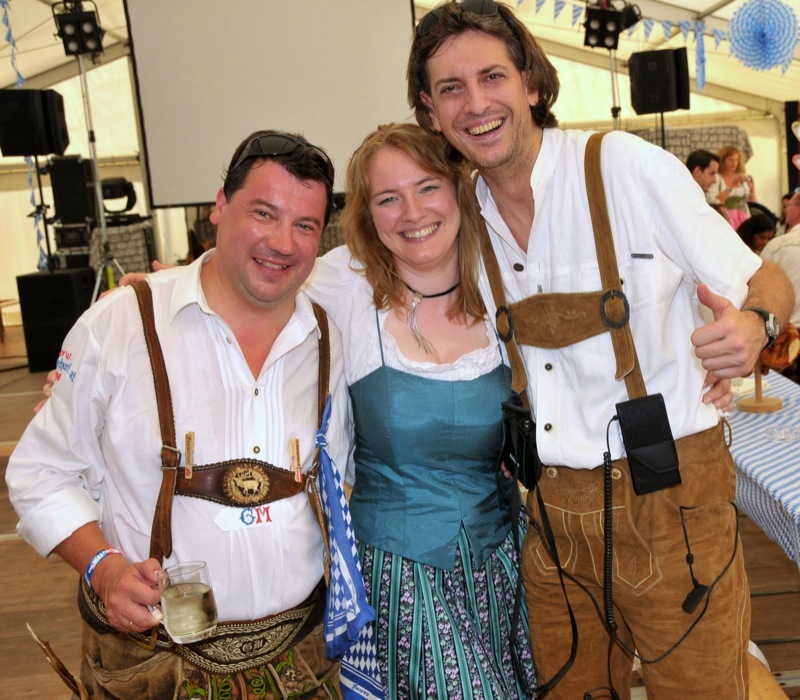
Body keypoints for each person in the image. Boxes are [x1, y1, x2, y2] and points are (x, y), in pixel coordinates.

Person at [407, 2, 794, 699]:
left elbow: (763, 279)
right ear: (432, 112)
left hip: (673, 506)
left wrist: (754, 325)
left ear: (531, 83)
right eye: (451, 88)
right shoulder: (460, 215)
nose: (476, 104)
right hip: (553, 519)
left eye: (492, 77)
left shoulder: (624, 167)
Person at [6, 130, 351, 699]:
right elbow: (40, 472)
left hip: (305, 663)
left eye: (305, 225)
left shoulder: (330, 337)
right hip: (152, 669)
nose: (282, 243)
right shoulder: (122, 322)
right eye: (263, 213)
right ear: (220, 206)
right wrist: (104, 569)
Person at [308, 122, 536, 698]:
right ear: (368, 216)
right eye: (388, 198)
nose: (412, 213)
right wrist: (149, 296)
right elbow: (255, 277)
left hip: (504, 563)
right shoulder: (344, 286)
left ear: (459, 189)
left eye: (428, 187)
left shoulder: (504, 279)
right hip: (402, 573)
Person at [761, 191, 800, 329]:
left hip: (789, 333)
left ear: (797, 211)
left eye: (788, 206)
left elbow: (758, 290)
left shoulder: (778, 246)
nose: (785, 210)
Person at [707, 145, 757, 229]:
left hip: (742, 216)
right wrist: (732, 186)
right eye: (730, 160)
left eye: (736, 160)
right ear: (722, 161)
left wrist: (752, 189)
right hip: (724, 217)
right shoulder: (716, 178)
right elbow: (715, 201)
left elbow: (753, 203)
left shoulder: (740, 178)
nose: (734, 164)